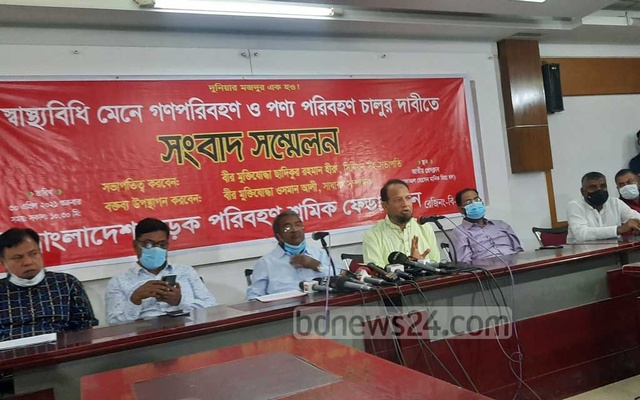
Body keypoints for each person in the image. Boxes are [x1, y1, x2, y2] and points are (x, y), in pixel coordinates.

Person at [105, 218, 217, 324]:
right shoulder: (119, 281)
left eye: (162, 244)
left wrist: (180, 301)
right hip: (145, 334)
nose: (156, 249)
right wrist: (135, 300)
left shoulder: (185, 272)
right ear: (135, 245)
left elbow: (213, 307)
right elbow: (112, 323)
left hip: (185, 330)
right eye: (148, 244)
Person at [0, 228, 98, 341]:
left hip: (62, 349)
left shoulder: (67, 283)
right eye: (18, 258)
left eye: (33, 254)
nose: (28, 262)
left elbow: (86, 327)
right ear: (3, 263)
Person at [246, 210, 332, 300]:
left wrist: (317, 265)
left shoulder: (320, 254)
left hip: (319, 305)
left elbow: (338, 280)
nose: (294, 230)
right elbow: (253, 297)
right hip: (284, 307)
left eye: (298, 225)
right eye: (287, 228)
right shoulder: (265, 263)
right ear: (278, 236)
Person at [363, 179, 440, 268]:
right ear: (385, 206)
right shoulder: (373, 235)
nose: (405, 204)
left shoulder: (425, 228)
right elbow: (376, 272)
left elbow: (437, 265)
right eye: (398, 200)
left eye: (408, 198)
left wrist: (422, 264)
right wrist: (412, 266)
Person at [450, 188, 523, 262]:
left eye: (477, 200)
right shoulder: (459, 233)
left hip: (514, 265)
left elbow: (519, 252)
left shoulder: (501, 225)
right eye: (468, 202)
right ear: (461, 209)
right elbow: (465, 264)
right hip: (488, 268)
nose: (475, 204)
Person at [567, 171, 640, 243]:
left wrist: (637, 225)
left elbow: (636, 218)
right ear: (583, 192)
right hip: (582, 249)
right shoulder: (575, 205)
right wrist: (618, 229)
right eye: (593, 187)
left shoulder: (615, 202)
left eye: (603, 186)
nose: (599, 190)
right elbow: (581, 234)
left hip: (615, 248)